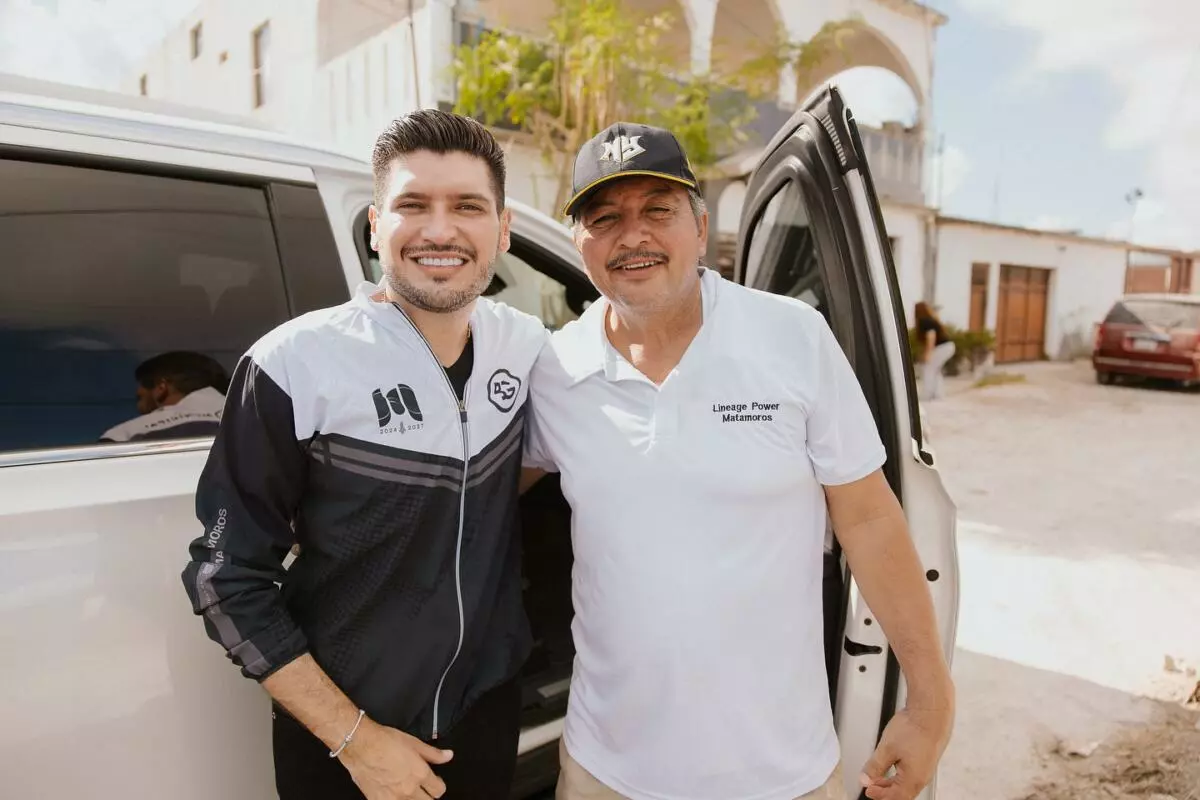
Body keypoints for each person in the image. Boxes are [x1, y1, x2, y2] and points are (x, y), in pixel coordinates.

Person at [522, 122, 955, 800]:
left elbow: (869, 519)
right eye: (604, 218)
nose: (632, 236)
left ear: (700, 227)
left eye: (657, 210)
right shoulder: (556, 369)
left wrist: (929, 700)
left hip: (781, 775)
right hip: (606, 771)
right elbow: (477, 496)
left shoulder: (791, 336)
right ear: (580, 242)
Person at [181, 109, 548, 800]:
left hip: (485, 711)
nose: (440, 230)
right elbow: (224, 577)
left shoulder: (529, 347)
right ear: (376, 225)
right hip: (343, 741)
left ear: (502, 230)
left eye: (468, 206)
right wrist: (357, 741)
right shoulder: (293, 364)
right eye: (413, 205)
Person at [99, 350, 228, 442]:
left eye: (142, 385)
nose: (138, 392)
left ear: (161, 388)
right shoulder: (238, 420)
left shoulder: (126, 434)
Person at [915, 301, 956, 401]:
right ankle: (938, 394)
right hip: (948, 346)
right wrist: (924, 353)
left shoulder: (924, 321)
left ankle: (927, 394)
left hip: (942, 347)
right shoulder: (931, 319)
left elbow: (931, 337)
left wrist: (928, 354)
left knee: (928, 368)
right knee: (935, 369)